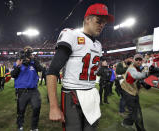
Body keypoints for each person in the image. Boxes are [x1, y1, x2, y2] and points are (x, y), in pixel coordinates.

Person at [46, 3, 114, 131]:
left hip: (91, 92)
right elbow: (52, 71)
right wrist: (54, 107)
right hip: (72, 94)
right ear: (87, 19)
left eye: (104, 23)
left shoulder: (98, 45)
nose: (102, 25)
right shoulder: (72, 35)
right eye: (99, 21)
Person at [10, 46, 43, 131]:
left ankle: (34, 127)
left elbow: (41, 69)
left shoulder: (34, 63)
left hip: (33, 90)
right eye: (27, 54)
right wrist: (18, 66)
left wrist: (34, 60)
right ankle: (20, 126)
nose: (28, 56)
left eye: (30, 54)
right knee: (21, 110)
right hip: (22, 91)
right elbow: (13, 75)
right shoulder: (18, 64)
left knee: (36, 107)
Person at [120, 54, 148, 131]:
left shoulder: (139, 68)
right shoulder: (131, 68)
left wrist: (140, 84)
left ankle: (126, 122)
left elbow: (137, 80)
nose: (139, 61)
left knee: (134, 112)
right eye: (137, 59)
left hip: (133, 92)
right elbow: (136, 76)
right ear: (133, 60)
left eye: (140, 60)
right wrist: (147, 72)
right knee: (136, 113)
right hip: (128, 92)